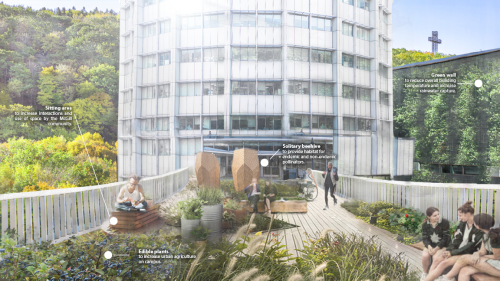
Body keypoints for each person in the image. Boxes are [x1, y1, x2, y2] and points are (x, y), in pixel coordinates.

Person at [424, 201, 484, 281]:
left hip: (468, 253)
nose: (459, 217)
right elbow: (456, 239)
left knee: (443, 263)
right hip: (457, 251)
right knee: (437, 259)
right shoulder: (463, 223)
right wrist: (449, 251)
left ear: (468, 214)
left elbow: (470, 246)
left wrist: (452, 253)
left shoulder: (478, 227)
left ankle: (445, 278)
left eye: (460, 215)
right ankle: (429, 278)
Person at [438, 213, 500, 281]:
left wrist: (481, 256)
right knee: (464, 271)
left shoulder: (495, 236)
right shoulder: (485, 235)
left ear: (477, 226)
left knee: (465, 257)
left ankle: (447, 277)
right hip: (490, 262)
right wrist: (476, 254)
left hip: (497, 264)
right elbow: (483, 251)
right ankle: (448, 277)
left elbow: (497, 257)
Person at [421, 207, 451, 280]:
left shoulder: (444, 222)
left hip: (443, 245)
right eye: (435, 215)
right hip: (431, 245)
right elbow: (425, 238)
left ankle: (432, 276)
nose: (438, 216)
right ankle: (425, 273)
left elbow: (446, 238)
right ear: (429, 217)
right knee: (425, 256)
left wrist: (437, 248)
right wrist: (429, 246)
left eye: (438, 214)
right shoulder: (425, 225)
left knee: (435, 257)